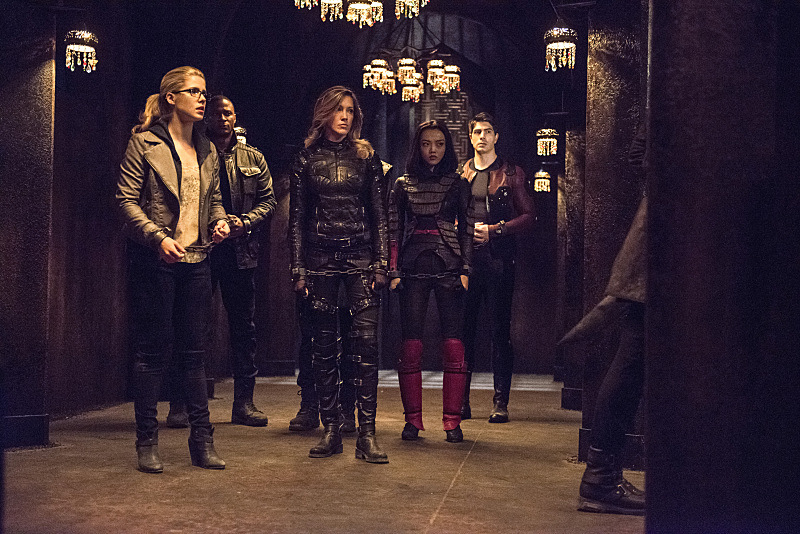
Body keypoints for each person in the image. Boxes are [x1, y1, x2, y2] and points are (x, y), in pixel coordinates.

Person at [116, 66, 229, 472]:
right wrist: (157, 237)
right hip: (156, 260)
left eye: (204, 92)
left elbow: (213, 199)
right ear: (171, 97)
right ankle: (146, 442)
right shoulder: (143, 142)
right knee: (152, 352)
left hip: (197, 260)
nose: (202, 98)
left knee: (195, 355)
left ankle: (202, 442)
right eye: (194, 91)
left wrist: (219, 221)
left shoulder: (207, 147)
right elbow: (126, 201)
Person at [288, 86, 389, 463]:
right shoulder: (306, 158)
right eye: (338, 110)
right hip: (319, 260)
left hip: (361, 257)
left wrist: (381, 263)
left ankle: (367, 435)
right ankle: (331, 430)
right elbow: (297, 219)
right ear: (324, 113)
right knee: (323, 349)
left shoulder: (366, 156)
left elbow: (379, 215)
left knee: (367, 348)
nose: (345, 116)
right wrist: (297, 268)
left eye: (350, 110)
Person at [559, 125, 647, 515]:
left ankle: (602, 476)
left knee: (634, 361)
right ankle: (601, 478)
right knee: (632, 361)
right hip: (667, 239)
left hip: (669, 237)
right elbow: (640, 151)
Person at [388, 120, 475, 443]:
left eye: (439, 144)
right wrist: (393, 270)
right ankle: (412, 420)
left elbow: (467, 228)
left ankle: (452, 422)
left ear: (447, 147)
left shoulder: (458, 183)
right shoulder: (402, 184)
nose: (433, 150)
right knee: (411, 344)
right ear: (417, 147)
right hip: (412, 268)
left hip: (450, 266)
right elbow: (394, 228)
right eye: (426, 144)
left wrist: (466, 269)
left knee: (453, 344)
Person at [460, 112, 535, 423]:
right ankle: (461, 402)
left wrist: (495, 230)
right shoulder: (461, 173)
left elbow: (529, 215)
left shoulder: (511, 173)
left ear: (496, 137)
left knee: (499, 332)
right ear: (471, 136)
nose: (482, 136)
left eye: (488, 131)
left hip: (499, 262)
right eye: (477, 131)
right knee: (463, 333)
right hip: (466, 263)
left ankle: (500, 402)